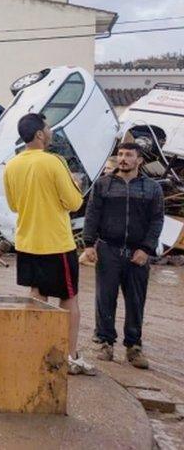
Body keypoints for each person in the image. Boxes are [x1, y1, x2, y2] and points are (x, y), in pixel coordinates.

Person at [4, 113, 95, 375]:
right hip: (56, 244)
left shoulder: (12, 165)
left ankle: (36, 351)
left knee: (37, 296)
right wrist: (75, 186)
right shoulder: (54, 162)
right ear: (40, 135)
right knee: (69, 299)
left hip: (27, 242)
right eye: (48, 127)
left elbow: (12, 205)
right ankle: (70, 356)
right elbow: (74, 203)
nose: (50, 130)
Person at [82, 142, 163, 369]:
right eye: (120, 154)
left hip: (138, 253)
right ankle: (105, 343)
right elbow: (92, 215)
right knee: (105, 298)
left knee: (136, 300)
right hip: (108, 249)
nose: (123, 158)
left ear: (139, 160)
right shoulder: (103, 185)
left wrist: (146, 249)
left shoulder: (152, 188)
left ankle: (133, 347)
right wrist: (89, 244)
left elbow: (157, 220)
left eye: (129, 155)